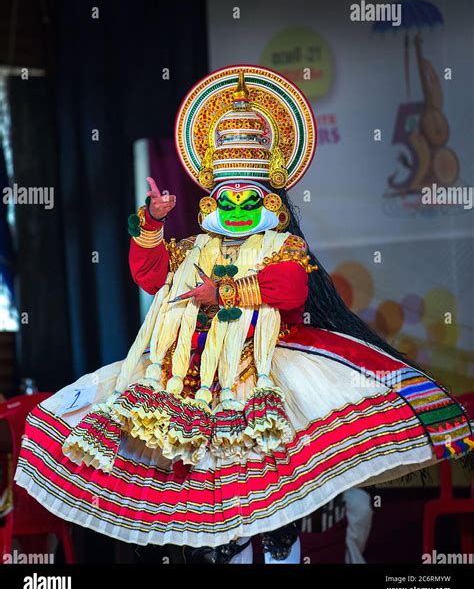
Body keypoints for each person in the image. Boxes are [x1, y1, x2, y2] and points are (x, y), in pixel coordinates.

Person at [15, 66, 473, 563]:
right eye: (227, 198)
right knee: (191, 477)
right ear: (213, 200)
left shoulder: (282, 246)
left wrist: (224, 292)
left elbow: (291, 287)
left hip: (261, 373)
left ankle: (277, 538)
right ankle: (217, 546)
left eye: (247, 198)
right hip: (183, 380)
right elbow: (149, 275)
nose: (235, 207)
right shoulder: (193, 247)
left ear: (266, 200)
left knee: (270, 472)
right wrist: (152, 221)